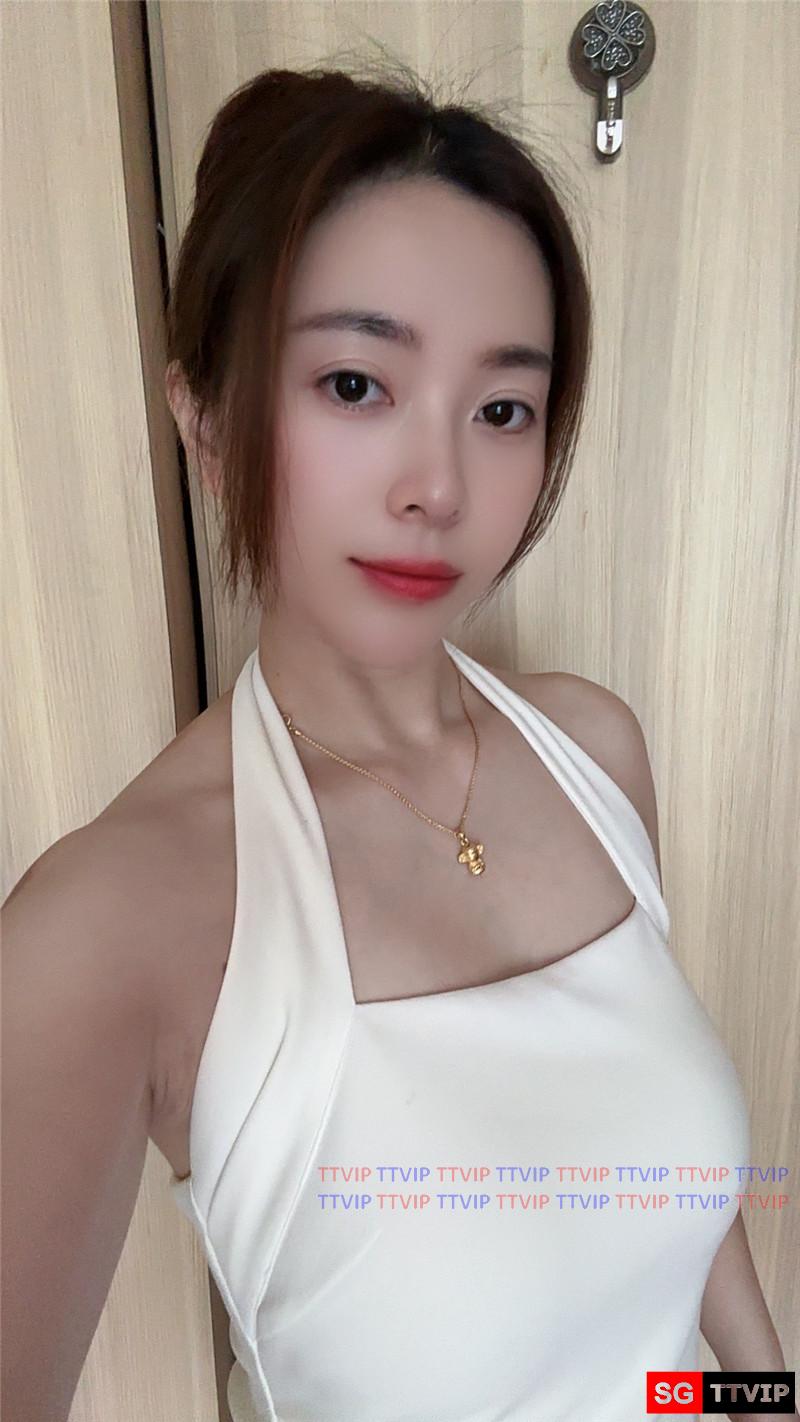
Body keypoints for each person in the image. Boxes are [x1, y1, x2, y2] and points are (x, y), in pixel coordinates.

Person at [3, 56, 794, 1422]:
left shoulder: (594, 753)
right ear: (206, 418)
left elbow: (677, 1211)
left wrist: (764, 1398)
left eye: (502, 409)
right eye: (357, 384)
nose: (439, 486)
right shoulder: (110, 922)